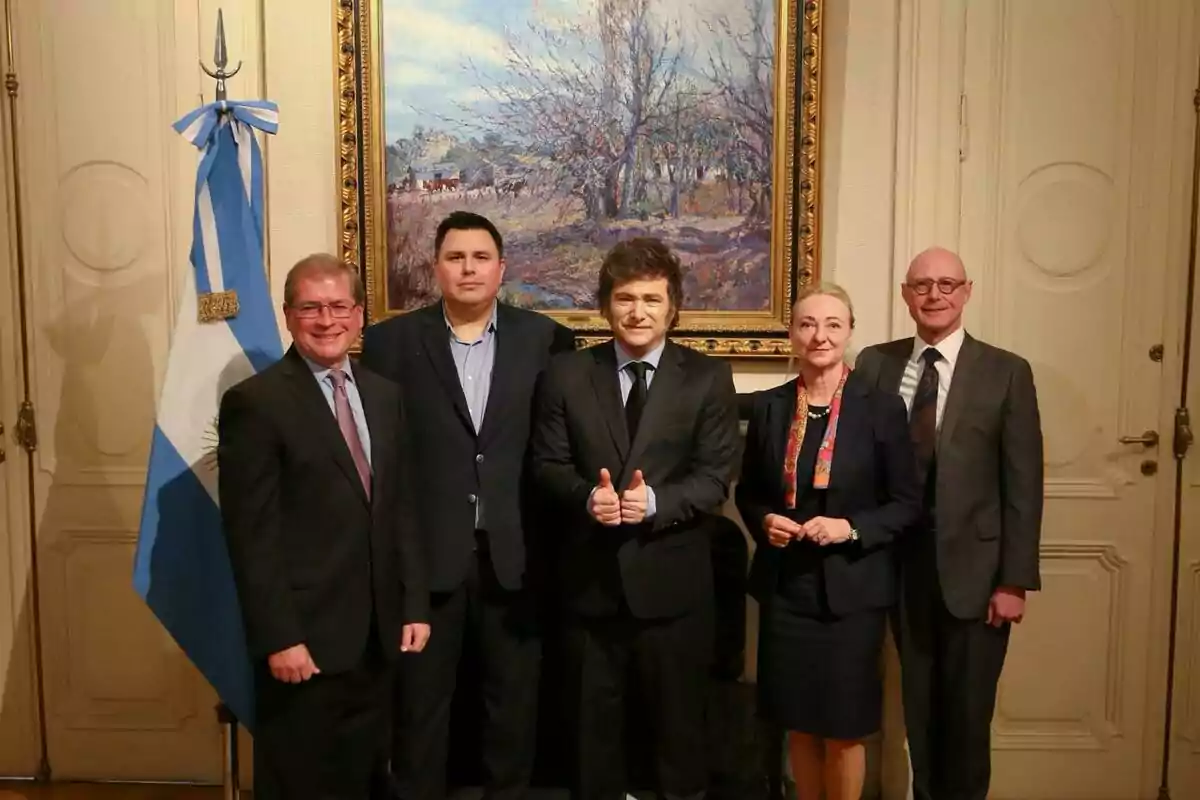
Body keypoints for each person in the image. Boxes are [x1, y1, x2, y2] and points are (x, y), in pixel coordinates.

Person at [360, 211, 576, 800]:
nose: (469, 268)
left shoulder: (546, 340)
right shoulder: (389, 343)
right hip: (426, 564)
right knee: (421, 715)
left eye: (481, 258)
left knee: (513, 714)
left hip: (516, 557)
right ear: (436, 269)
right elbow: (384, 458)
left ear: (502, 269)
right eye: (455, 258)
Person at [530, 236, 740, 800]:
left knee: (679, 744)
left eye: (652, 298)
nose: (637, 311)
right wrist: (584, 498)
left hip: (673, 591)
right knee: (591, 745)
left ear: (672, 306)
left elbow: (716, 477)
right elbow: (546, 465)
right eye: (625, 298)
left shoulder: (706, 378)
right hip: (588, 591)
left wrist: (653, 504)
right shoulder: (566, 375)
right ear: (605, 305)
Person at [217, 253, 430, 800]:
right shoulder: (255, 404)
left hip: (377, 636)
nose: (326, 319)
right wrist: (280, 637)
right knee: (302, 782)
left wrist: (413, 606)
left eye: (338, 306)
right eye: (310, 307)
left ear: (359, 316)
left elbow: (400, 509)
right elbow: (251, 536)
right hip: (304, 642)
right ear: (289, 316)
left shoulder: (385, 396)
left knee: (366, 778)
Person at [855, 247, 1044, 800]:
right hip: (899, 569)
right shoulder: (875, 363)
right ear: (905, 294)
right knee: (919, 717)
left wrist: (1014, 579)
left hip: (978, 575)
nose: (934, 295)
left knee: (965, 721)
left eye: (946, 284)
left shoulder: (1006, 371)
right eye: (921, 285)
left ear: (967, 291)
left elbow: (1023, 483)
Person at [735, 283, 921, 800]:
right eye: (808, 324)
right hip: (786, 589)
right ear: (792, 335)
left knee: (843, 729)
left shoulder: (881, 409)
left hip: (852, 592)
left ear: (850, 333)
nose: (820, 335)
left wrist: (851, 527)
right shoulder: (771, 407)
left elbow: (907, 503)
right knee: (798, 723)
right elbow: (749, 493)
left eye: (833, 324)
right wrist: (765, 520)